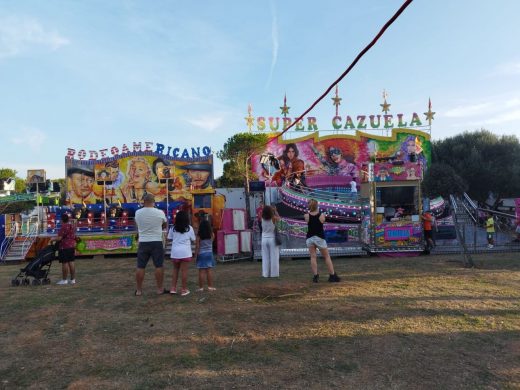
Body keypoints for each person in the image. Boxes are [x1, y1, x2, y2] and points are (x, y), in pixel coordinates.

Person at [134, 193, 168, 296]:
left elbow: (137, 224)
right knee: (158, 266)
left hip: (143, 241)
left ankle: (139, 290)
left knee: (140, 266)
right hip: (156, 241)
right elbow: (165, 224)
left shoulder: (138, 212)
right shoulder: (160, 212)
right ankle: (159, 289)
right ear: (154, 202)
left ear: (143, 202)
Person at [304, 199, 340, 283]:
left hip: (310, 238)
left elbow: (308, 221)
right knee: (327, 257)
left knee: (313, 257)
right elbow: (322, 221)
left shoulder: (306, 216)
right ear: (317, 206)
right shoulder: (321, 215)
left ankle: (315, 276)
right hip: (319, 238)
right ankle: (332, 275)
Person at [168, 210, 196, 296]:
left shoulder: (172, 228)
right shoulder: (189, 228)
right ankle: (184, 290)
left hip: (175, 253)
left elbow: (169, 239)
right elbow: (194, 240)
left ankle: (173, 288)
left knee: (175, 270)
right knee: (184, 271)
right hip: (185, 252)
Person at [54, 213, 77, 285]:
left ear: (61, 220)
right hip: (71, 246)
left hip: (64, 247)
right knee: (71, 262)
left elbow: (59, 238)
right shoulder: (71, 226)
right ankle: (73, 279)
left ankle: (64, 280)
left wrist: (52, 239)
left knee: (65, 263)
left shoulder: (63, 227)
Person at [195, 219, 216, 292]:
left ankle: (201, 288)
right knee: (209, 270)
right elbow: (211, 243)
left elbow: (197, 246)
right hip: (209, 253)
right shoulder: (212, 234)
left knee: (201, 271)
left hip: (201, 254)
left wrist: (196, 255)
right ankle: (210, 287)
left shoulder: (199, 236)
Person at [261, 205, 280, 278]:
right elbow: (279, 219)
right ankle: (274, 274)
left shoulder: (262, 218)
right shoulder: (273, 218)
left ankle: (265, 274)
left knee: (265, 257)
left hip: (264, 239)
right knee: (274, 257)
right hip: (272, 238)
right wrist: (275, 211)